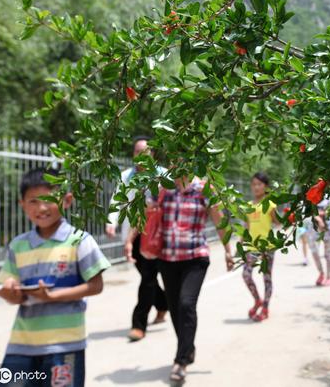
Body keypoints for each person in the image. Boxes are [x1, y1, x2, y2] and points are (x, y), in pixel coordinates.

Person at [0, 168, 110, 387]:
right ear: (22, 205)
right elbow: (14, 292)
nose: (42, 207)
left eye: (48, 199)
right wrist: (10, 291)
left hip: (64, 345)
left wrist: (53, 296)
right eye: (33, 201)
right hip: (21, 344)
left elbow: (96, 285)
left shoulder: (79, 240)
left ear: (66, 200)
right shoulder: (18, 245)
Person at [156, 172, 232, 383]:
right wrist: (128, 241)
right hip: (167, 258)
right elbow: (146, 214)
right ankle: (188, 349)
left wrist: (227, 249)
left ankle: (180, 362)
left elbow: (219, 220)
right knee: (174, 308)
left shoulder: (204, 188)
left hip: (195, 257)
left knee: (186, 304)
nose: (179, 161)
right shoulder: (163, 187)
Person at [106, 136, 168, 342]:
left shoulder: (162, 176)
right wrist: (111, 221)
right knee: (146, 275)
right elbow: (117, 198)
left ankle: (138, 324)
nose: (141, 156)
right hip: (133, 233)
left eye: (145, 152)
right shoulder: (126, 176)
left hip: (155, 234)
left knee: (148, 277)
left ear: (152, 155)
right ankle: (163, 304)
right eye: (137, 152)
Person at [243, 172, 281, 322]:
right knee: (246, 275)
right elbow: (246, 228)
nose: (256, 187)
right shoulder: (249, 206)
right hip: (252, 248)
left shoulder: (270, 204)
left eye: (259, 184)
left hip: (267, 248)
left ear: (266, 187)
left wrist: (288, 215)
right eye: (254, 184)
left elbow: (278, 222)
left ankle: (265, 307)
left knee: (267, 278)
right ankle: (257, 300)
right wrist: (241, 244)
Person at [304, 199, 330, 287]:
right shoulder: (310, 197)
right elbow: (305, 213)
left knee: (328, 254)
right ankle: (321, 273)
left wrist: (320, 216)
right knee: (314, 252)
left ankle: (328, 277)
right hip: (313, 229)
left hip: (327, 228)